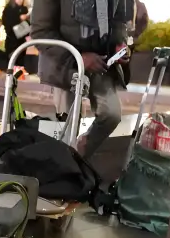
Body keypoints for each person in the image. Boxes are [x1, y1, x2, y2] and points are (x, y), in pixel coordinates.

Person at [31, 0, 132, 159]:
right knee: (69, 127)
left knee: (111, 114)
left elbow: (119, 22)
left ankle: (79, 155)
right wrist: (78, 57)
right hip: (64, 65)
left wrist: (120, 44)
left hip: (101, 61)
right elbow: (41, 31)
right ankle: (65, 169)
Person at [2, 0, 30, 65]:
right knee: (12, 58)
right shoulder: (9, 9)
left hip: (22, 38)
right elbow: (7, 23)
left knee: (21, 57)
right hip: (12, 38)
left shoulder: (24, 9)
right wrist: (19, 18)